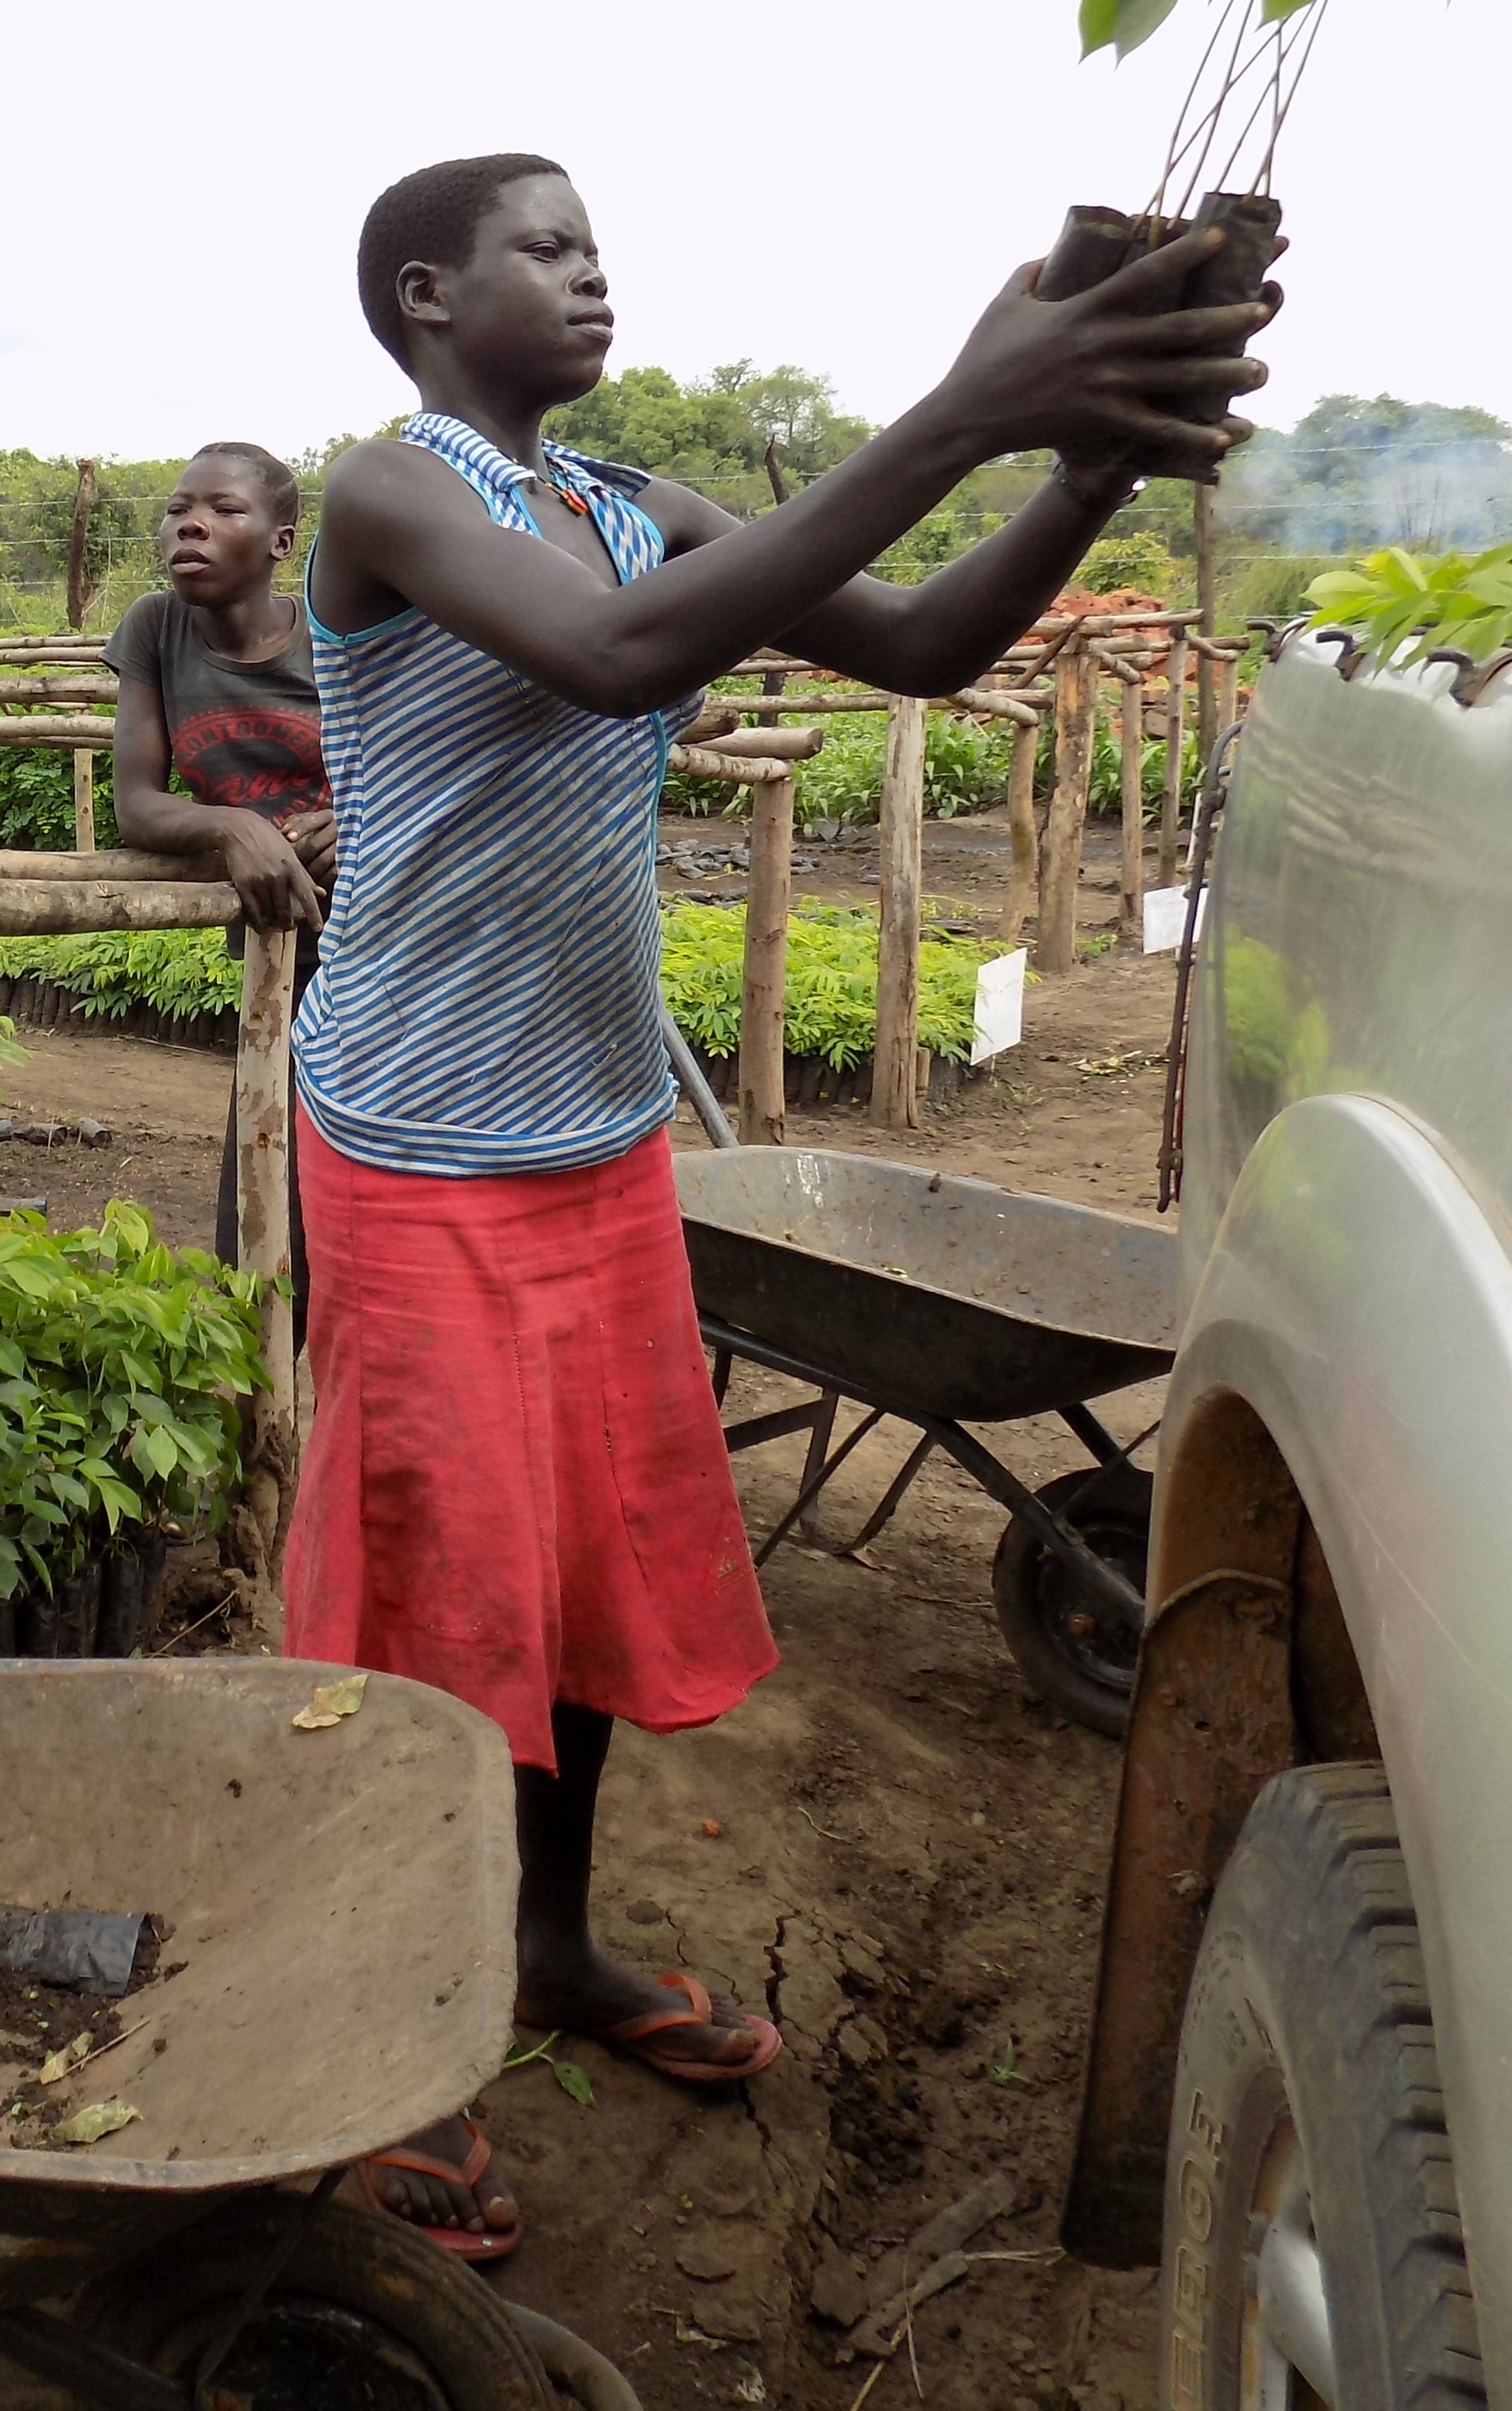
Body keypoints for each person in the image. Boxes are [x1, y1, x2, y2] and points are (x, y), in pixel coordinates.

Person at [296, 153, 1273, 2258]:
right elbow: (619, 657)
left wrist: (1087, 463)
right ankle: (405, 2049)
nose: (589, 276)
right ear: (418, 291)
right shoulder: (392, 500)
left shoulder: (625, 494)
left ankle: (546, 1954)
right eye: (543, 252)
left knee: (557, 1596)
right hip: (412, 1148)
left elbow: (920, 642)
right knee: (442, 1618)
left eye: (594, 247)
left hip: (580, 1138)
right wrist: (967, 405)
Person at [102, 442, 331, 1315]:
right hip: (281, 948)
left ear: (281, 541)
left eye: (225, 509)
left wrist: (357, 821)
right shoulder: (156, 629)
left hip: (394, 941)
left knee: (384, 1185)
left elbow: (420, 764)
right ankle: (263, 1419)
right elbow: (137, 804)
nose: (190, 522)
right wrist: (235, 826)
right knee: (265, 1191)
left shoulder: (335, 634)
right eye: (176, 507)